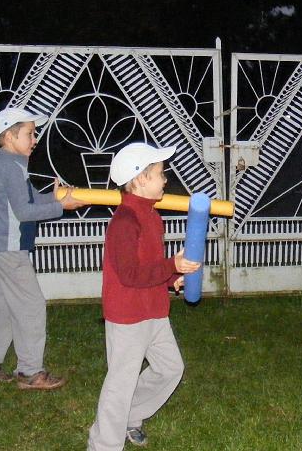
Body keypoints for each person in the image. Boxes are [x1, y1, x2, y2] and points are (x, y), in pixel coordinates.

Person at [88, 142, 201, 450]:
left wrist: (172, 277)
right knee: (120, 384)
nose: (165, 179)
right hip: (128, 316)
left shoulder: (151, 215)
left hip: (154, 311)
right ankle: (103, 445)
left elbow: (149, 264)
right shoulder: (124, 222)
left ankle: (131, 415)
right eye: (160, 173)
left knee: (170, 368)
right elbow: (130, 274)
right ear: (140, 179)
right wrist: (172, 265)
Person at [0, 108, 87, 390]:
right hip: (10, 250)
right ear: (10, 137)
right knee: (31, 307)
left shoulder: (12, 163)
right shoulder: (11, 166)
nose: (35, 139)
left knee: (6, 308)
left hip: (6, 248)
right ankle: (30, 372)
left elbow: (30, 199)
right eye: (30, 134)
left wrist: (57, 198)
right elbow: (24, 212)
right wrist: (61, 207)